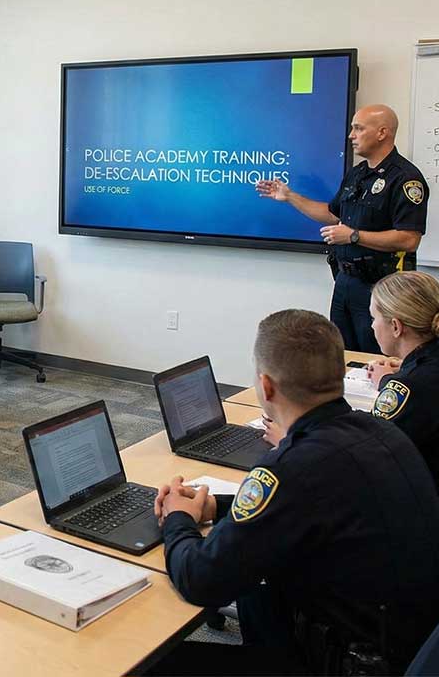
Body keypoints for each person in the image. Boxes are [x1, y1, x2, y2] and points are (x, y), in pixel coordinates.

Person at [152, 309, 439, 675]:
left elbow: (199, 580)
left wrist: (177, 519)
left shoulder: (290, 468)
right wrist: (214, 507)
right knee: (258, 587)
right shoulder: (378, 431)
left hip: (351, 661)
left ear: (266, 386)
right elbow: (301, 509)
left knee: (161, 664)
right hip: (402, 639)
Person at [256, 105, 428, 353]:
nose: (351, 135)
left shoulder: (405, 178)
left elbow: (409, 239)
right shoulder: (356, 173)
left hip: (382, 288)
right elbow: (332, 214)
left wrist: (353, 236)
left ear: (382, 133)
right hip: (346, 282)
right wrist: (290, 196)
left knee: (374, 358)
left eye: (358, 128)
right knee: (343, 357)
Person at [362, 271, 439, 489]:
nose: (372, 326)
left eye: (374, 318)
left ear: (396, 326)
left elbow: (368, 451)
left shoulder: (409, 387)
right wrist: (406, 368)